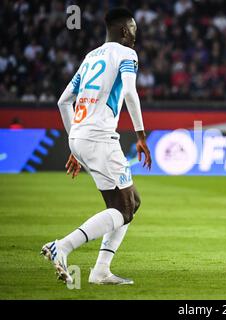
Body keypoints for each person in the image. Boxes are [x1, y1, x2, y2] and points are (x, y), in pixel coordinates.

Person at [41, 8, 151, 285]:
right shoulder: (126, 55)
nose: (136, 35)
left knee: (130, 203)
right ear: (125, 31)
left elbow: (63, 101)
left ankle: (101, 271)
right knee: (124, 209)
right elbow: (129, 92)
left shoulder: (91, 57)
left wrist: (73, 143)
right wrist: (140, 136)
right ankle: (62, 246)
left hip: (81, 136)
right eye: (134, 29)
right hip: (100, 137)